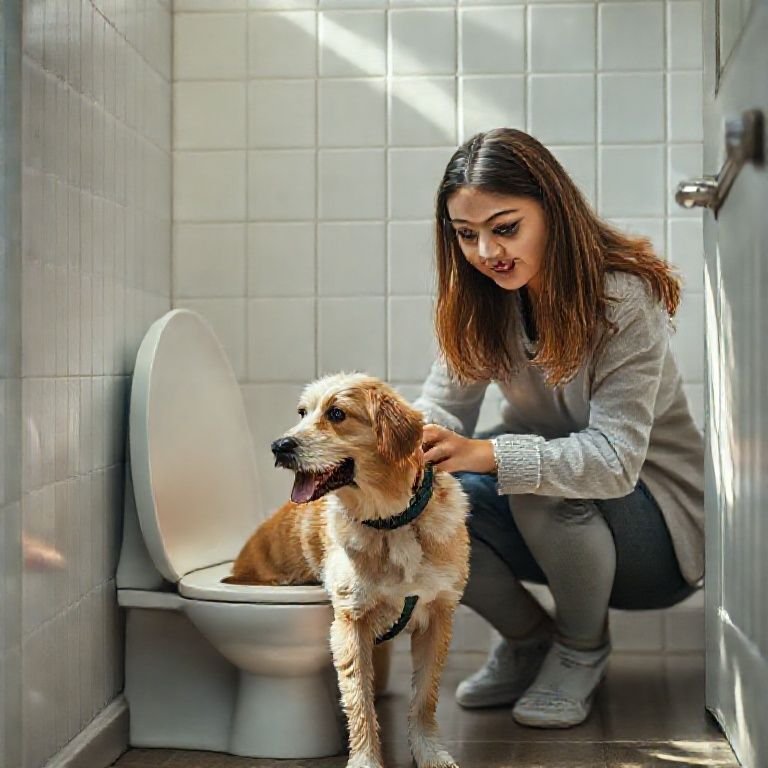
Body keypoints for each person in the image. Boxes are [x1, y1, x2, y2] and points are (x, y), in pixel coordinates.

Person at [413, 128, 704, 729]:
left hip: (658, 533)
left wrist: (487, 454)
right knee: (416, 501)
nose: (486, 251)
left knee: (534, 483)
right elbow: (442, 409)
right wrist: (396, 451)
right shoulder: (480, 298)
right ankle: (531, 642)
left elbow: (614, 462)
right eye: (466, 234)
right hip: (558, 527)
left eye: (505, 227)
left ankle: (580, 649)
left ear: (552, 209)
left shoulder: (622, 299)